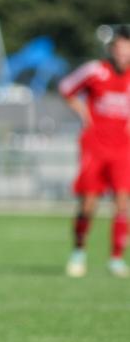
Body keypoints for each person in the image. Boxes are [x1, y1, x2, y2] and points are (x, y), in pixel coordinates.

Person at [60, 25, 130, 278]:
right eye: (120, 49)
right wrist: (84, 114)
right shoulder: (95, 70)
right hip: (95, 147)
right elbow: (66, 87)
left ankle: (116, 258)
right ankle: (78, 251)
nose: (123, 55)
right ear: (111, 50)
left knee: (122, 203)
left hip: (123, 148)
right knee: (88, 204)